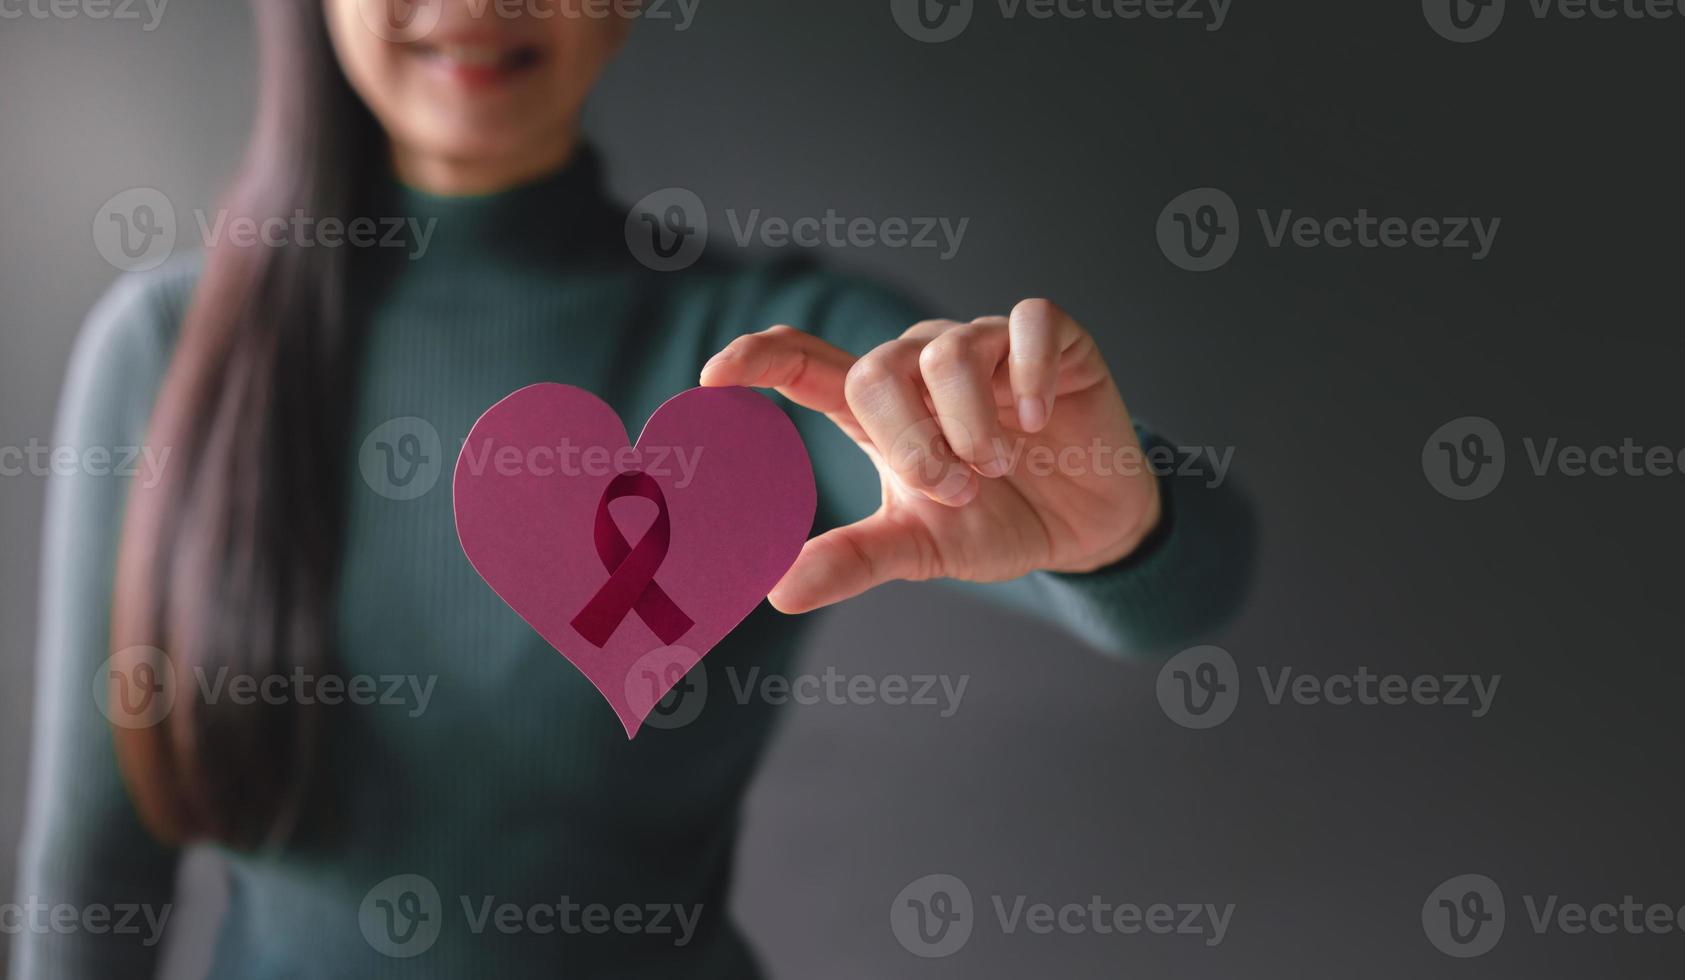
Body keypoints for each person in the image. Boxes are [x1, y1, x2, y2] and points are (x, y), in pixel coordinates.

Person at [13, 1, 1253, 976]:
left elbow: (1178, 585)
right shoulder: (169, 352)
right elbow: (90, 879)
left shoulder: (766, 355)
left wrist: (1112, 522)